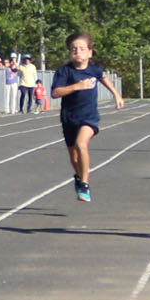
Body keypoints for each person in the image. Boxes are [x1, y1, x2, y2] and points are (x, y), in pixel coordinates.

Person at [50, 31, 124, 203]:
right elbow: (55, 92)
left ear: (90, 52)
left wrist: (116, 95)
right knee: (73, 157)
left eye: (82, 49)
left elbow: (104, 78)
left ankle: (84, 184)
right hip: (69, 118)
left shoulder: (95, 69)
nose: (78, 52)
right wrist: (77, 86)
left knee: (81, 144)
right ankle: (78, 176)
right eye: (74, 49)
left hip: (89, 117)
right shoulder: (64, 72)